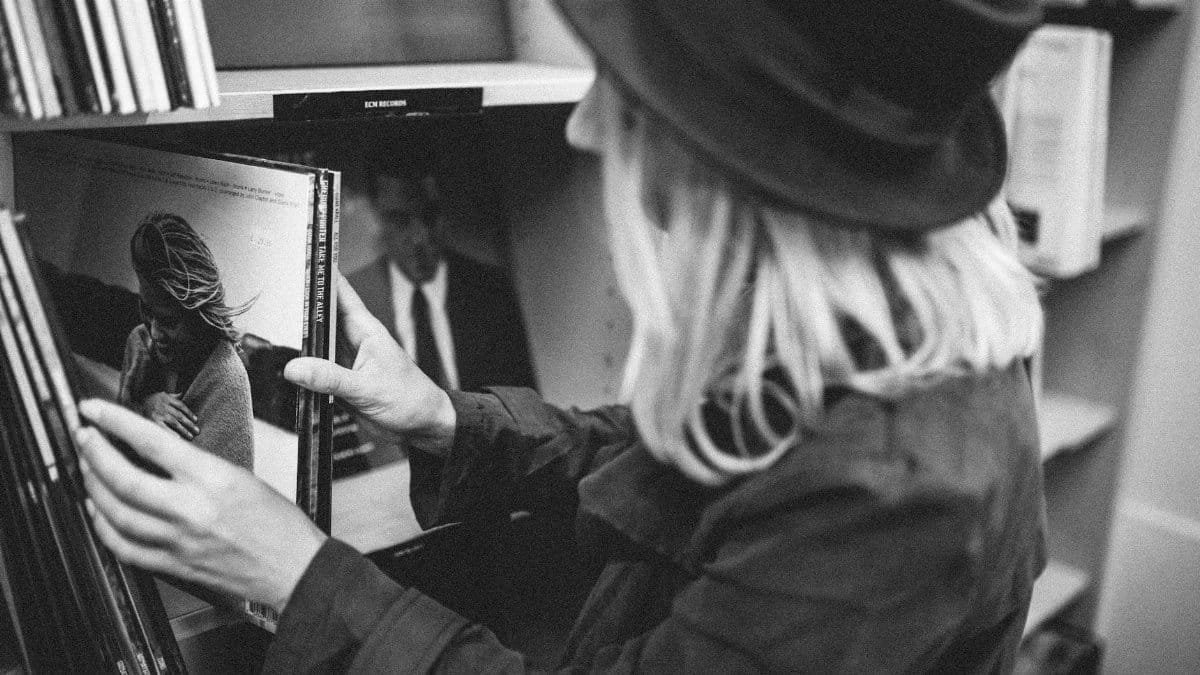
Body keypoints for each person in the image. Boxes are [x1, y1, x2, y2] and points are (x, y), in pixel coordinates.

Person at [75, 0, 1048, 671]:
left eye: (625, 91)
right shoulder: (883, 344)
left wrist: (298, 576)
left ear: (732, 172)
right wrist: (447, 422)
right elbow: (685, 462)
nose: (582, 129)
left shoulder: (891, 498)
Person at [349, 160, 536, 393]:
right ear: (375, 218)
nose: (419, 237)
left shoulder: (492, 291)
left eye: (429, 216)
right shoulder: (352, 300)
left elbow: (522, 412)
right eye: (400, 220)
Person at [116, 212, 255, 471]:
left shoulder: (227, 379)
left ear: (199, 316)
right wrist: (145, 408)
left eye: (169, 322)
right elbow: (118, 431)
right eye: (147, 310)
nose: (154, 333)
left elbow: (231, 496)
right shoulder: (138, 341)